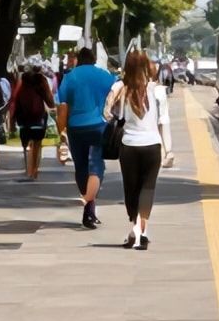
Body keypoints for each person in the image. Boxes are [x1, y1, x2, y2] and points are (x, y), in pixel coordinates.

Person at [104, 49, 173, 250]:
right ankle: (142, 231)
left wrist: (120, 117)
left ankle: (134, 229)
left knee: (131, 190)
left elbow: (107, 113)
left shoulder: (120, 87)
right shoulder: (158, 90)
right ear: (147, 67)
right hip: (152, 146)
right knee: (148, 188)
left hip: (129, 147)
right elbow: (163, 121)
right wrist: (169, 149)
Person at [55, 45, 116, 228]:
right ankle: (89, 207)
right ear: (94, 59)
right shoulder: (105, 75)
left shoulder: (70, 76)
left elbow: (63, 106)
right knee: (96, 165)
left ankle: (88, 204)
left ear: (78, 60)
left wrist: (61, 130)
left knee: (81, 167)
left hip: (76, 127)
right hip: (99, 126)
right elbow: (115, 94)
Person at [10, 63, 54, 182]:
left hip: (23, 120)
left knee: (27, 144)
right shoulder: (41, 81)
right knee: (37, 144)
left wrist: (12, 122)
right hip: (38, 118)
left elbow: (15, 101)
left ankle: (28, 169)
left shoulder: (23, 84)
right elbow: (50, 102)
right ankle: (34, 169)